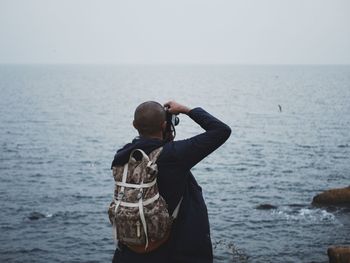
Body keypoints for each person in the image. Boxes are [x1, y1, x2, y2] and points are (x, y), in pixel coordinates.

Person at [111, 100, 231, 263]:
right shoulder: (174, 155)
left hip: (130, 251)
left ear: (134, 125)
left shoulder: (123, 155)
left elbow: (149, 147)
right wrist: (187, 110)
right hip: (173, 252)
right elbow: (221, 130)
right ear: (164, 125)